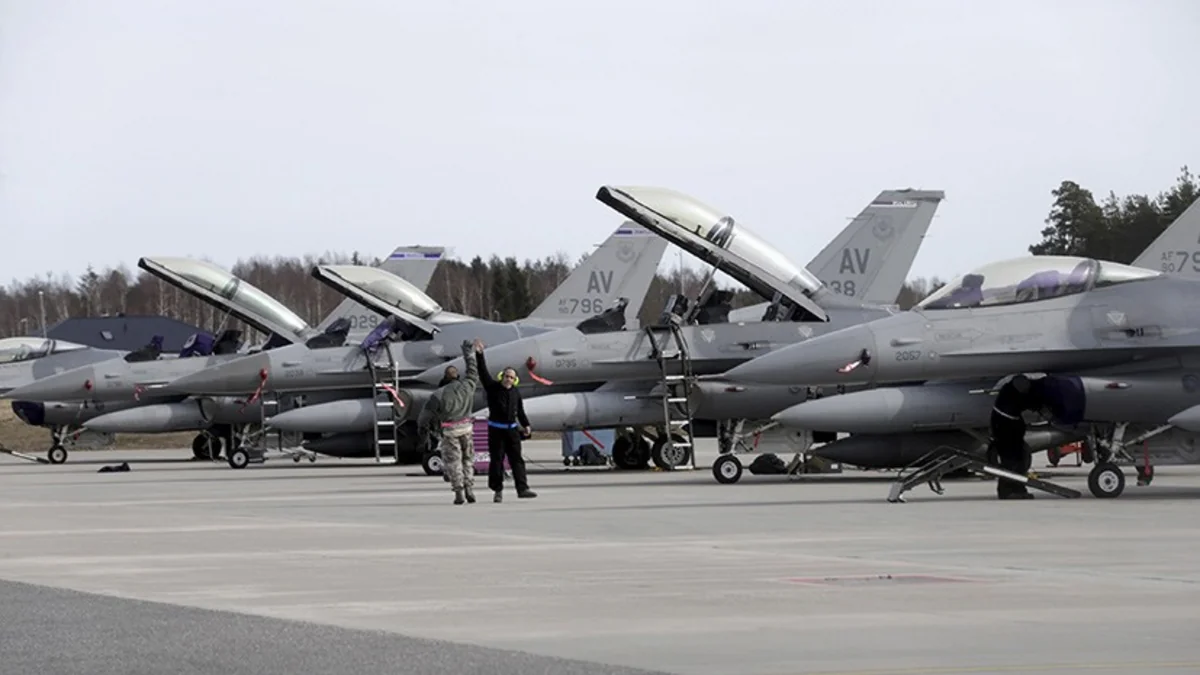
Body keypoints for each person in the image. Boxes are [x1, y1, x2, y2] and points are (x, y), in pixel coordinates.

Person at [417, 339, 483, 505]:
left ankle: (459, 491)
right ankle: (469, 488)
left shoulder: (437, 395)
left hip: (449, 431)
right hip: (467, 428)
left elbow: (425, 416)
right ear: (457, 376)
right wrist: (468, 352)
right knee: (468, 460)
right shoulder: (468, 385)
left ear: (444, 378)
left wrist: (423, 431)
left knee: (453, 462)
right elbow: (473, 370)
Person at [475, 343, 537, 502]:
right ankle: (497, 490)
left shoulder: (516, 393)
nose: (508, 378)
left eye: (511, 377)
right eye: (506, 375)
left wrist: (527, 424)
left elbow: (520, 411)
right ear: (501, 376)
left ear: (514, 380)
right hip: (496, 431)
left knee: (517, 460)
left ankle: (522, 489)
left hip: (512, 431)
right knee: (497, 461)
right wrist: (479, 354)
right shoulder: (492, 388)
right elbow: (482, 372)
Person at [987, 374, 1043, 500]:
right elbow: (1027, 402)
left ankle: (1018, 488)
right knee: (1010, 461)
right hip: (1005, 430)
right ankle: (1007, 491)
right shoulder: (1010, 397)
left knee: (1018, 460)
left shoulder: (1008, 393)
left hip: (1009, 428)